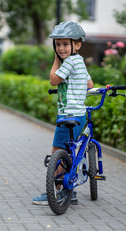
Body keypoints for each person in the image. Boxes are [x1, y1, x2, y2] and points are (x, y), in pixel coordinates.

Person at [32, 21, 93, 205]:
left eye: (65, 44)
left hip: (68, 115)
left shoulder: (70, 62)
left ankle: (57, 192)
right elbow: (89, 84)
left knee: (56, 152)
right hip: (79, 115)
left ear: (77, 44)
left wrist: (56, 61)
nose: (61, 48)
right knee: (68, 153)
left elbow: (53, 80)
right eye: (58, 44)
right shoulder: (80, 62)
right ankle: (70, 192)